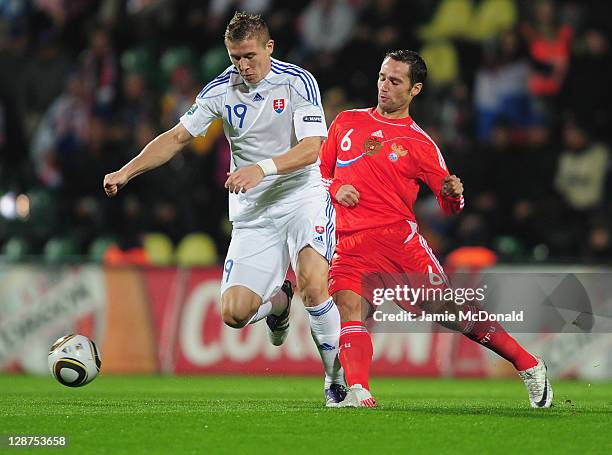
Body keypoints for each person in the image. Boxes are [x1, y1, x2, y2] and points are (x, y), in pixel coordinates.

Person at [103, 12, 346, 406]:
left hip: (301, 196)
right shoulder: (220, 89)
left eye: (249, 56)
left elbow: (312, 149)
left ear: (269, 47)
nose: (242, 66)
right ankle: (279, 304)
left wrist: (260, 168)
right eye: (234, 57)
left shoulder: (298, 81)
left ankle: (336, 383)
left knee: (315, 286)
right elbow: (178, 137)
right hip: (253, 211)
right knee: (234, 314)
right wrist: (127, 171)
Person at [320, 50, 553, 408]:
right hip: (350, 243)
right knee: (351, 309)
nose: (384, 86)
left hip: (399, 243)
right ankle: (359, 393)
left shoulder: (420, 144)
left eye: (395, 81)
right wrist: (335, 186)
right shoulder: (345, 122)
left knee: (453, 313)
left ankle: (529, 365)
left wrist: (452, 195)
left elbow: (449, 203)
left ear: (415, 90)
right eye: (382, 76)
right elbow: (317, 174)